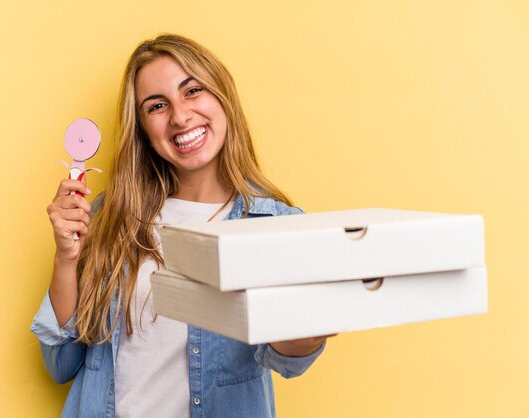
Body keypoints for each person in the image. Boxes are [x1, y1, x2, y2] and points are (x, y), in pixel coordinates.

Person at [31, 34, 334, 418]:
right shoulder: (108, 218)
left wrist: (307, 330)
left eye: (192, 91)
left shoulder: (276, 227)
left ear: (223, 97)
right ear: (142, 128)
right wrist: (66, 258)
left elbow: (290, 360)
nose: (179, 116)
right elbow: (60, 362)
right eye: (157, 105)